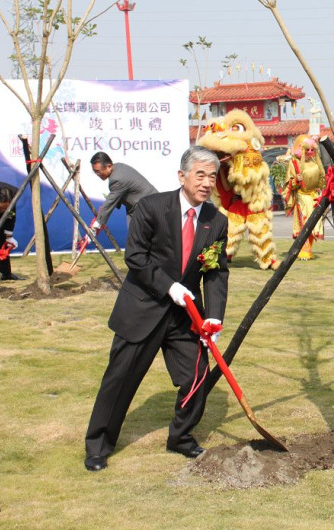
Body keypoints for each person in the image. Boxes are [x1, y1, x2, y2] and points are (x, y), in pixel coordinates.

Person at [84, 146, 229, 472]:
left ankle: (180, 436)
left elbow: (216, 270)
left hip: (184, 317)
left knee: (196, 377)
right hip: (144, 307)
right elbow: (136, 256)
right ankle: (98, 445)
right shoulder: (151, 207)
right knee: (119, 380)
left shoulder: (215, 221)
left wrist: (214, 316)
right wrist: (168, 285)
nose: (206, 182)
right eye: (200, 174)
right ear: (182, 176)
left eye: (212, 176)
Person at [89, 152, 158, 235]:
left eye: (98, 171)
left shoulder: (117, 179)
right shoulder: (118, 168)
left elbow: (109, 203)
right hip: (139, 207)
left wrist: (96, 224)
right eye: (95, 172)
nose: (97, 174)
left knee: (140, 240)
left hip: (148, 207)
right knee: (135, 240)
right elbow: (116, 196)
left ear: (109, 166)